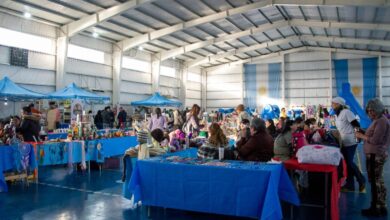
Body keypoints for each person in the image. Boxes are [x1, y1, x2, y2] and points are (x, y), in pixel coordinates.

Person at [355, 99, 390, 217]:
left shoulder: (381, 121)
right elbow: (373, 135)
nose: (370, 113)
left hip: (376, 155)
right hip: (375, 154)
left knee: (376, 182)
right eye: (369, 111)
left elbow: (376, 140)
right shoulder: (378, 120)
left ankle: (375, 208)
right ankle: (381, 206)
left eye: (372, 110)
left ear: (378, 109)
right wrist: (364, 132)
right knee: (377, 181)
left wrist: (361, 135)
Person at [331, 97, 365, 192]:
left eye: (333, 104)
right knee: (347, 163)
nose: (332, 106)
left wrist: (358, 138)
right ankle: (350, 185)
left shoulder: (346, 112)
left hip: (350, 141)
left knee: (349, 162)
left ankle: (361, 179)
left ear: (338, 104)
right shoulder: (338, 114)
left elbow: (356, 125)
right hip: (343, 142)